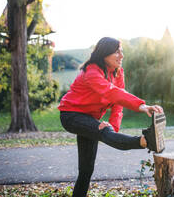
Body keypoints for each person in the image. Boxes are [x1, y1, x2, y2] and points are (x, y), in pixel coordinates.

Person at [58, 37, 165, 197]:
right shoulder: (92, 71)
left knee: (86, 169)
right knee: (103, 133)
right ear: (104, 53)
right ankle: (145, 141)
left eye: (121, 51)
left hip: (90, 118)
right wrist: (141, 105)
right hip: (71, 115)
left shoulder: (118, 72)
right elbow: (111, 92)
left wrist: (113, 129)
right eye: (117, 52)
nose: (121, 56)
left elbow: (118, 103)